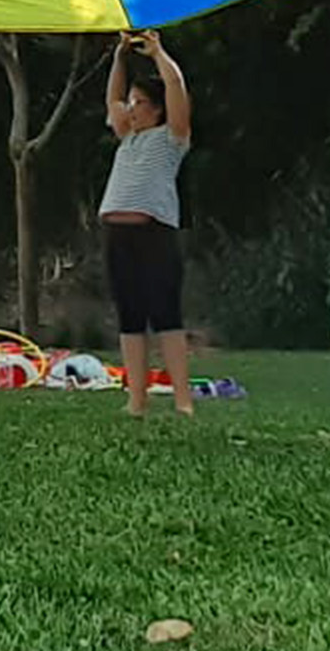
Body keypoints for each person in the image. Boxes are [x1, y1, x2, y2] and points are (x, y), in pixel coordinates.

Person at [98, 30, 195, 418]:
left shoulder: (172, 138)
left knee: (165, 314)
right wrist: (120, 56)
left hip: (154, 234)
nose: (130, 109)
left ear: (156, 109)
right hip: (117, 235)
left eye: (139, 103)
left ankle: (183, 400)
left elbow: (175, 85)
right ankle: (135, 400)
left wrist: (157, 52)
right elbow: (112, 98)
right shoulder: (127, 139)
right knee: (130, 317)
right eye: (131, 103)